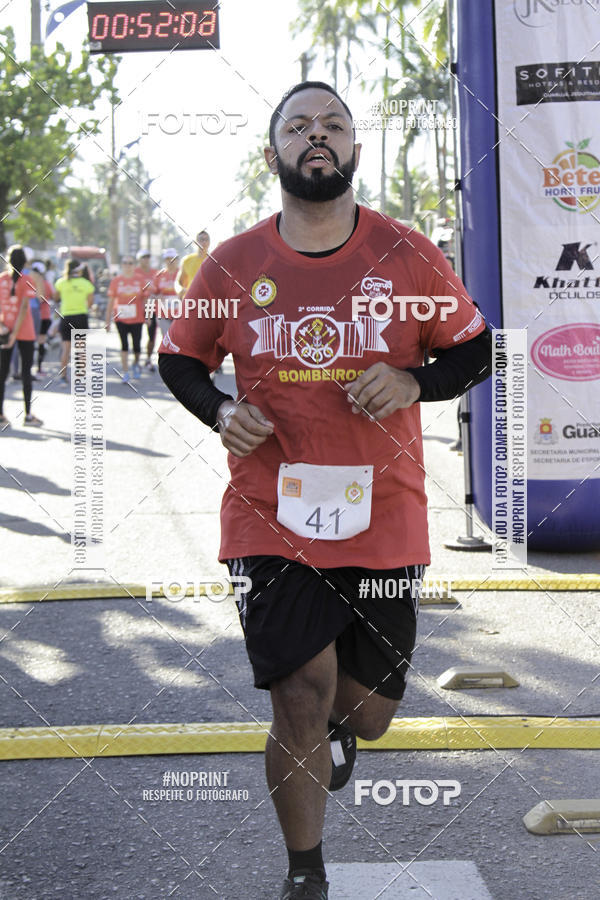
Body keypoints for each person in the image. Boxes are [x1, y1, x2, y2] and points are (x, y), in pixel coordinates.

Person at [159, 81, 492, 900]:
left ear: (354, 149)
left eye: (334, 124)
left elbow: (475, 350)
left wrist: (413, 382)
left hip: (384, 517)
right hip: (270, 515)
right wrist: (221, 409)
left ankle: (345, 729)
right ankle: (305, 873)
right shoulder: (233, 264)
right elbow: (180, 358)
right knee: (298, 698)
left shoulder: (408, 254)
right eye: (299, 125)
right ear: (271, 151)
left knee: (368, 710)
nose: (318, 135)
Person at [0, 246, 43, 426]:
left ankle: (1, 416)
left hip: (4, 331)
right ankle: (27, 416)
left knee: (2, 374)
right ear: (25, 262)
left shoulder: (1, 279)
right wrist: (14, 335)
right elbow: (25, 308)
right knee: (26, 373)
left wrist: (3, 328)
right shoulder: (27, 279)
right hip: (24, 331)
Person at [105, 256, 149, 383]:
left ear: (134, 265)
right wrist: (107, 321)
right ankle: (125, 372)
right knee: (124, 344)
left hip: (137, 319)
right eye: (125, 263)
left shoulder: (140, 280)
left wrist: (148, 316)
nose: (128, 265)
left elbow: (146, 300)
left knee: (136, 345)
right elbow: (110, 302)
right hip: (121, 318)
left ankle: (135, 364)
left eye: (130, 263)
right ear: (122, 265)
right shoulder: (116, 281)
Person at [54, 260, 95, 384]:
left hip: (66, 317)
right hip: (80, 317)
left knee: (66, 348)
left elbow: (56, 297)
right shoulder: (86, 283)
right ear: (80, 270)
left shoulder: (61, 282)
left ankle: (63, 376)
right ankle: (80, 377)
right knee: (80, 348)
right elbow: (90, 302)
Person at [135, 249, 159, 371]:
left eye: (148, 257)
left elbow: (159, 290)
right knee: (136, 336)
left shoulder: (156, 273)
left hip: (151, 307)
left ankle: (148, 359)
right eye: (143, 257)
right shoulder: (134, 272)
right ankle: (136, 361)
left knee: (152, 335)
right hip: (137, 308)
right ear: (139, 259)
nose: (146, 259)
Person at [31, 261, 53, 376]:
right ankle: (38, 368)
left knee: (29, 343)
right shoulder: (45, 283)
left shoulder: (26, 281)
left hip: (29, 316)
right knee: (41, 342)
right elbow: (53, 296)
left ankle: (28, 369)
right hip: (44, 316)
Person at [174, 230, 209, 299]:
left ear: (209, 242)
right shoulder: (187, 260)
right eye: (201, 240)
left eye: (206, 240)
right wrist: (180, 290)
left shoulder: (214, 261)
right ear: (196, 242)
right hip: (191, 301)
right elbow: (178, 282)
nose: (204, 242)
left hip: (208, 302)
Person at [154, 249, 180, 337]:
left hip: (180, 313)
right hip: (163, 313)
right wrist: (157, 296)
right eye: (167, 259)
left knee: (178, 339)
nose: (170, 261)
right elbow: (153, 293)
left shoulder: (182, 273)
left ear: (177, 259)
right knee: (166, 338)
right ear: (164, 260)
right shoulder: (159, 275)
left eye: (172, 258)